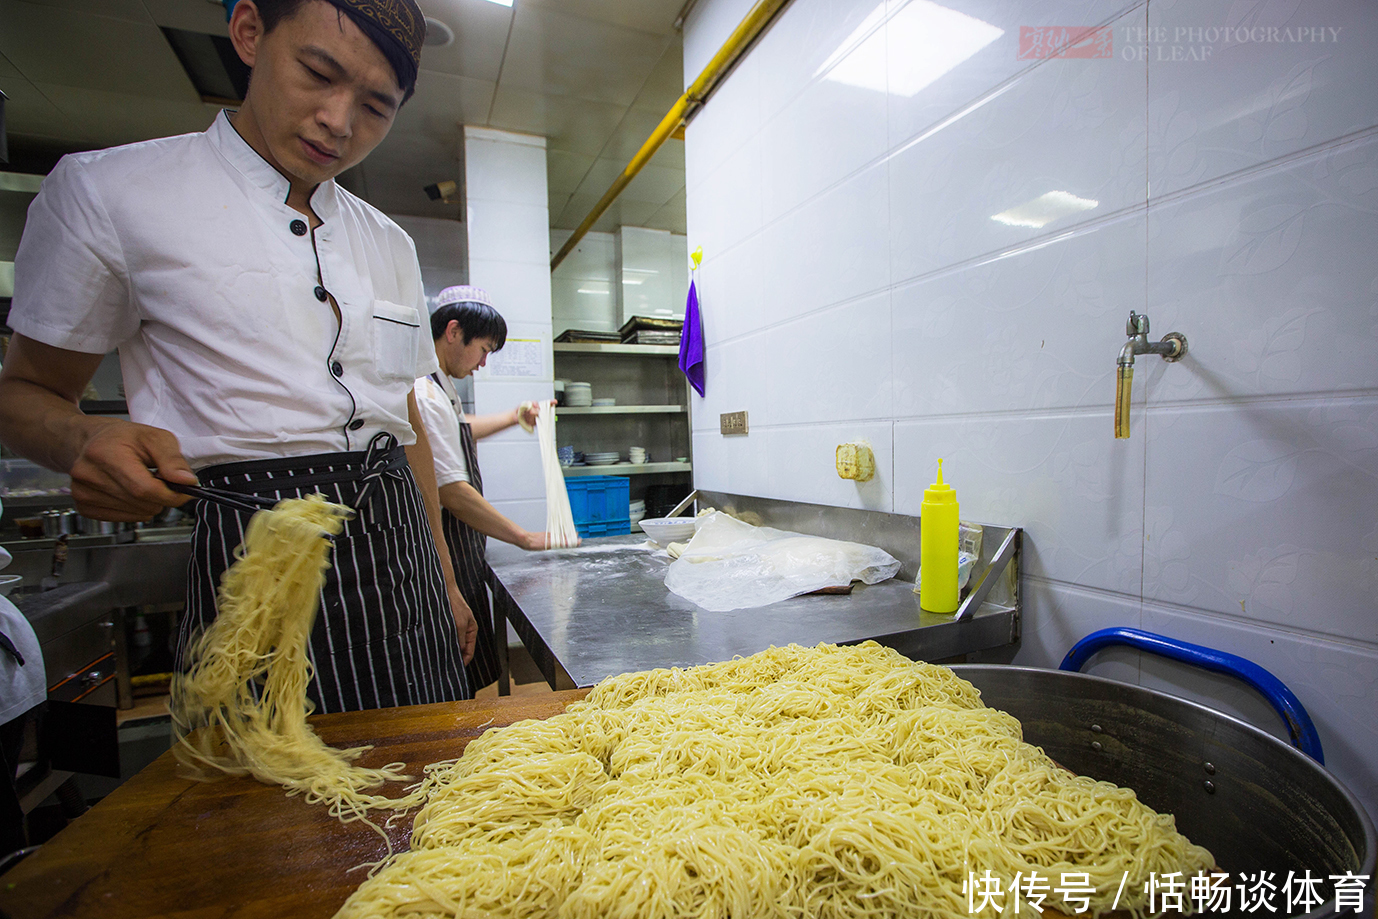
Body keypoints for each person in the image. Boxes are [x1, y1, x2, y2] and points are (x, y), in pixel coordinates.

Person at [0, 0, 477, 712]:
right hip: (250, 550)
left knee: (432, 783)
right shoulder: (112, 194)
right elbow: (24, 393)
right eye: (318, 73)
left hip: (399, 552)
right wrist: (84, 438)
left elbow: (402, 416)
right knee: (266, 801)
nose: (339, 122)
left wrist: (443, 574)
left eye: (376, 107)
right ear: (250, 33)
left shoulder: (389, 243)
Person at [413, 286, 575, 690]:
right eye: (483, 350)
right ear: (453, 332)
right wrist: (524, 537)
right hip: (447, 548)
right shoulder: (425, 393)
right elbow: (452, 492)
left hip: (464, 548)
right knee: (459, 669)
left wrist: (513, 416)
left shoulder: (439, 388)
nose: (484, 364)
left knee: (470, 665)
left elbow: (459, 428)